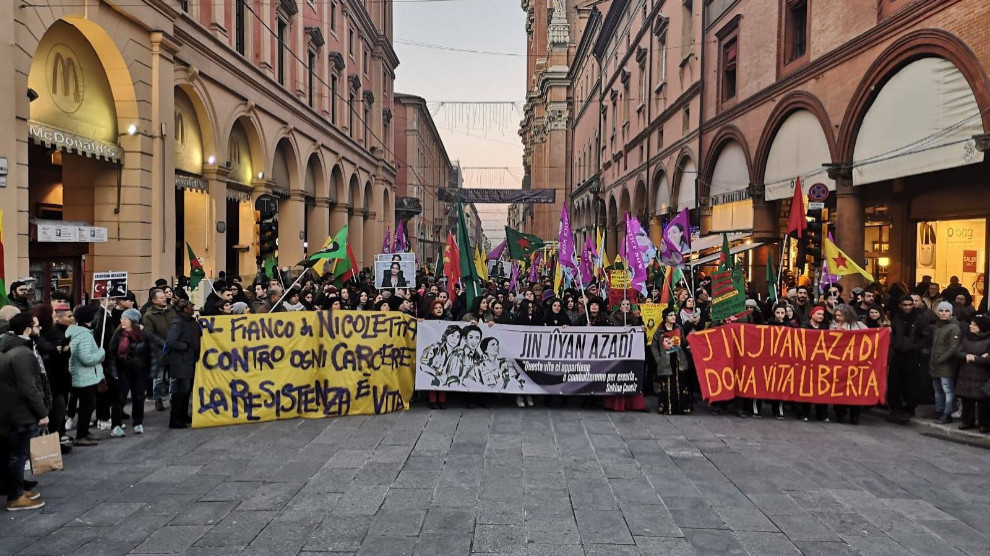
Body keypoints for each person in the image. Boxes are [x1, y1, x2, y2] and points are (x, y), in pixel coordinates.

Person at [0, 311, 49, 511]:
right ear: (28, 330)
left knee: (14, 454)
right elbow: (29, 387)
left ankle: (17, 489)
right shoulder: (21, 353)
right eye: (37, 326)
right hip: (20, 412)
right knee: (19, 455)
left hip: (9, 411)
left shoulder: (7, 347)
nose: (40, 329)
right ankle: (16, 496)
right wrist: (42, 413)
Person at [107, 308, 153, 438]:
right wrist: (113, 371)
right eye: (122, 318)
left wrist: (150, 370)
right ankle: (116, 425)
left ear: (133, 321)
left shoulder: (144, 334)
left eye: (125, 319)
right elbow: (111, 354)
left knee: (138, 397)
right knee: (119, 399)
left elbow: (150, 353)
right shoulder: (118, 334)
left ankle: (138, 422)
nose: (122, 321)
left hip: (140, 371)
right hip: (122, 371)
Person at [888, 295, 933, 423]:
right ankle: (895, 408)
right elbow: (894, 333)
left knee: (911, 384)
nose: (907, 307)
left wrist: (914, 347)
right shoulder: (897, 318)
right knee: (894, 383)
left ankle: (909, 408)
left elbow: (926, 337)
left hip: (912, 355)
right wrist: (894, 344)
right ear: (900, 305)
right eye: (905, 305)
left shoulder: (920, 319)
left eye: (910, 305)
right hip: (898, 354)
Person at [65, 305, 105, 446]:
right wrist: (101, 353)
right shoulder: (84, 335)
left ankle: (84, 431)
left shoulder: (76, 332)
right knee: (87, 406)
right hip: (84, 377)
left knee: (86, 406)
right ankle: (81, 434)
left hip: (80, 375)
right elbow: (86, 358)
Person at [165, 299, 202, 429]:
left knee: (187, 390)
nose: (193, 308)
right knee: (181, 390)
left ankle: (183, 415)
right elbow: (170, 341)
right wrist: (184, 346)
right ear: (185, 309)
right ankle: (175, 418)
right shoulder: (178, 322)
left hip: (189, 360)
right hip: (181, 361)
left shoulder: (190, 321)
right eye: (191, 306)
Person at [831, 304, 866, 425]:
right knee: (840, 388)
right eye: (836, 315)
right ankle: (840, 413)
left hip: (854, 362)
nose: (837, 317)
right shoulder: (833, 325)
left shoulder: (858, 326)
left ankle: (854, 415)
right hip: (838, 362)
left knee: (854, 390)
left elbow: (870, 336)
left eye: (840, 315)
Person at [652, 308, 692, 415]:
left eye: (674, 315)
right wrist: (658, 359)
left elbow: (683, 341)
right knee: (668, 385)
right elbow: (654, 346)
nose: (674, 317)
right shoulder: (660, 330)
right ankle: (668, 408)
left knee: (680, 384)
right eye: (671, 315)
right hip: (666, 361)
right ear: (665, 317)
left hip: (678, 359)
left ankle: (682, 407)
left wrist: (685, 340)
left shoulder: (678, 328)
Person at [141, 289, 175, 412]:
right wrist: (164, 343)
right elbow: (149, 333)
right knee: (159, 378)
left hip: (173, 348)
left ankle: (173, 398)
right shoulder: (149, 315)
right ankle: (158, 399)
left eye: (164, 296)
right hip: (158, 350)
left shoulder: (171, 310)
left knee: (173, 377)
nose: (164, 298)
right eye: (160, 297)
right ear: (154, 300)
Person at [955, 315, 990, 433]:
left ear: (981, 327)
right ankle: (967, 421)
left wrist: (975, 359)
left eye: (974, 325)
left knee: (983, 403)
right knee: (967, 400)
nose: (971, 326)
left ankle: (984, 424)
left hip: (982, 376)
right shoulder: (966, 337)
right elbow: (958, 351)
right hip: (966, 373)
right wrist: (966, 356)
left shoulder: (988, 340)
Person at [929, 301, 960, 425]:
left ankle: (947, 413)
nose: (943, 313)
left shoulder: (954, 327)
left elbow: (953, 348)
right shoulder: (938, 326)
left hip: (946, 365)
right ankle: (939, 410)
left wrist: (940, 359)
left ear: (951, 313)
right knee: (937, 388)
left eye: (947, 311)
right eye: (941, 310)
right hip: (935, 364)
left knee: (947, 389)